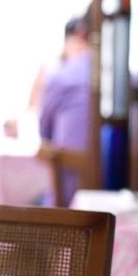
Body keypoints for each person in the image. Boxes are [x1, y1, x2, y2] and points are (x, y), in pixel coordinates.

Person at [37, 14, 92, 206]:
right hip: (117, 188)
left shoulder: (61, 76)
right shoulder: (122, 75)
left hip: (69, 197)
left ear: (79, 34)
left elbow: (44, 131)